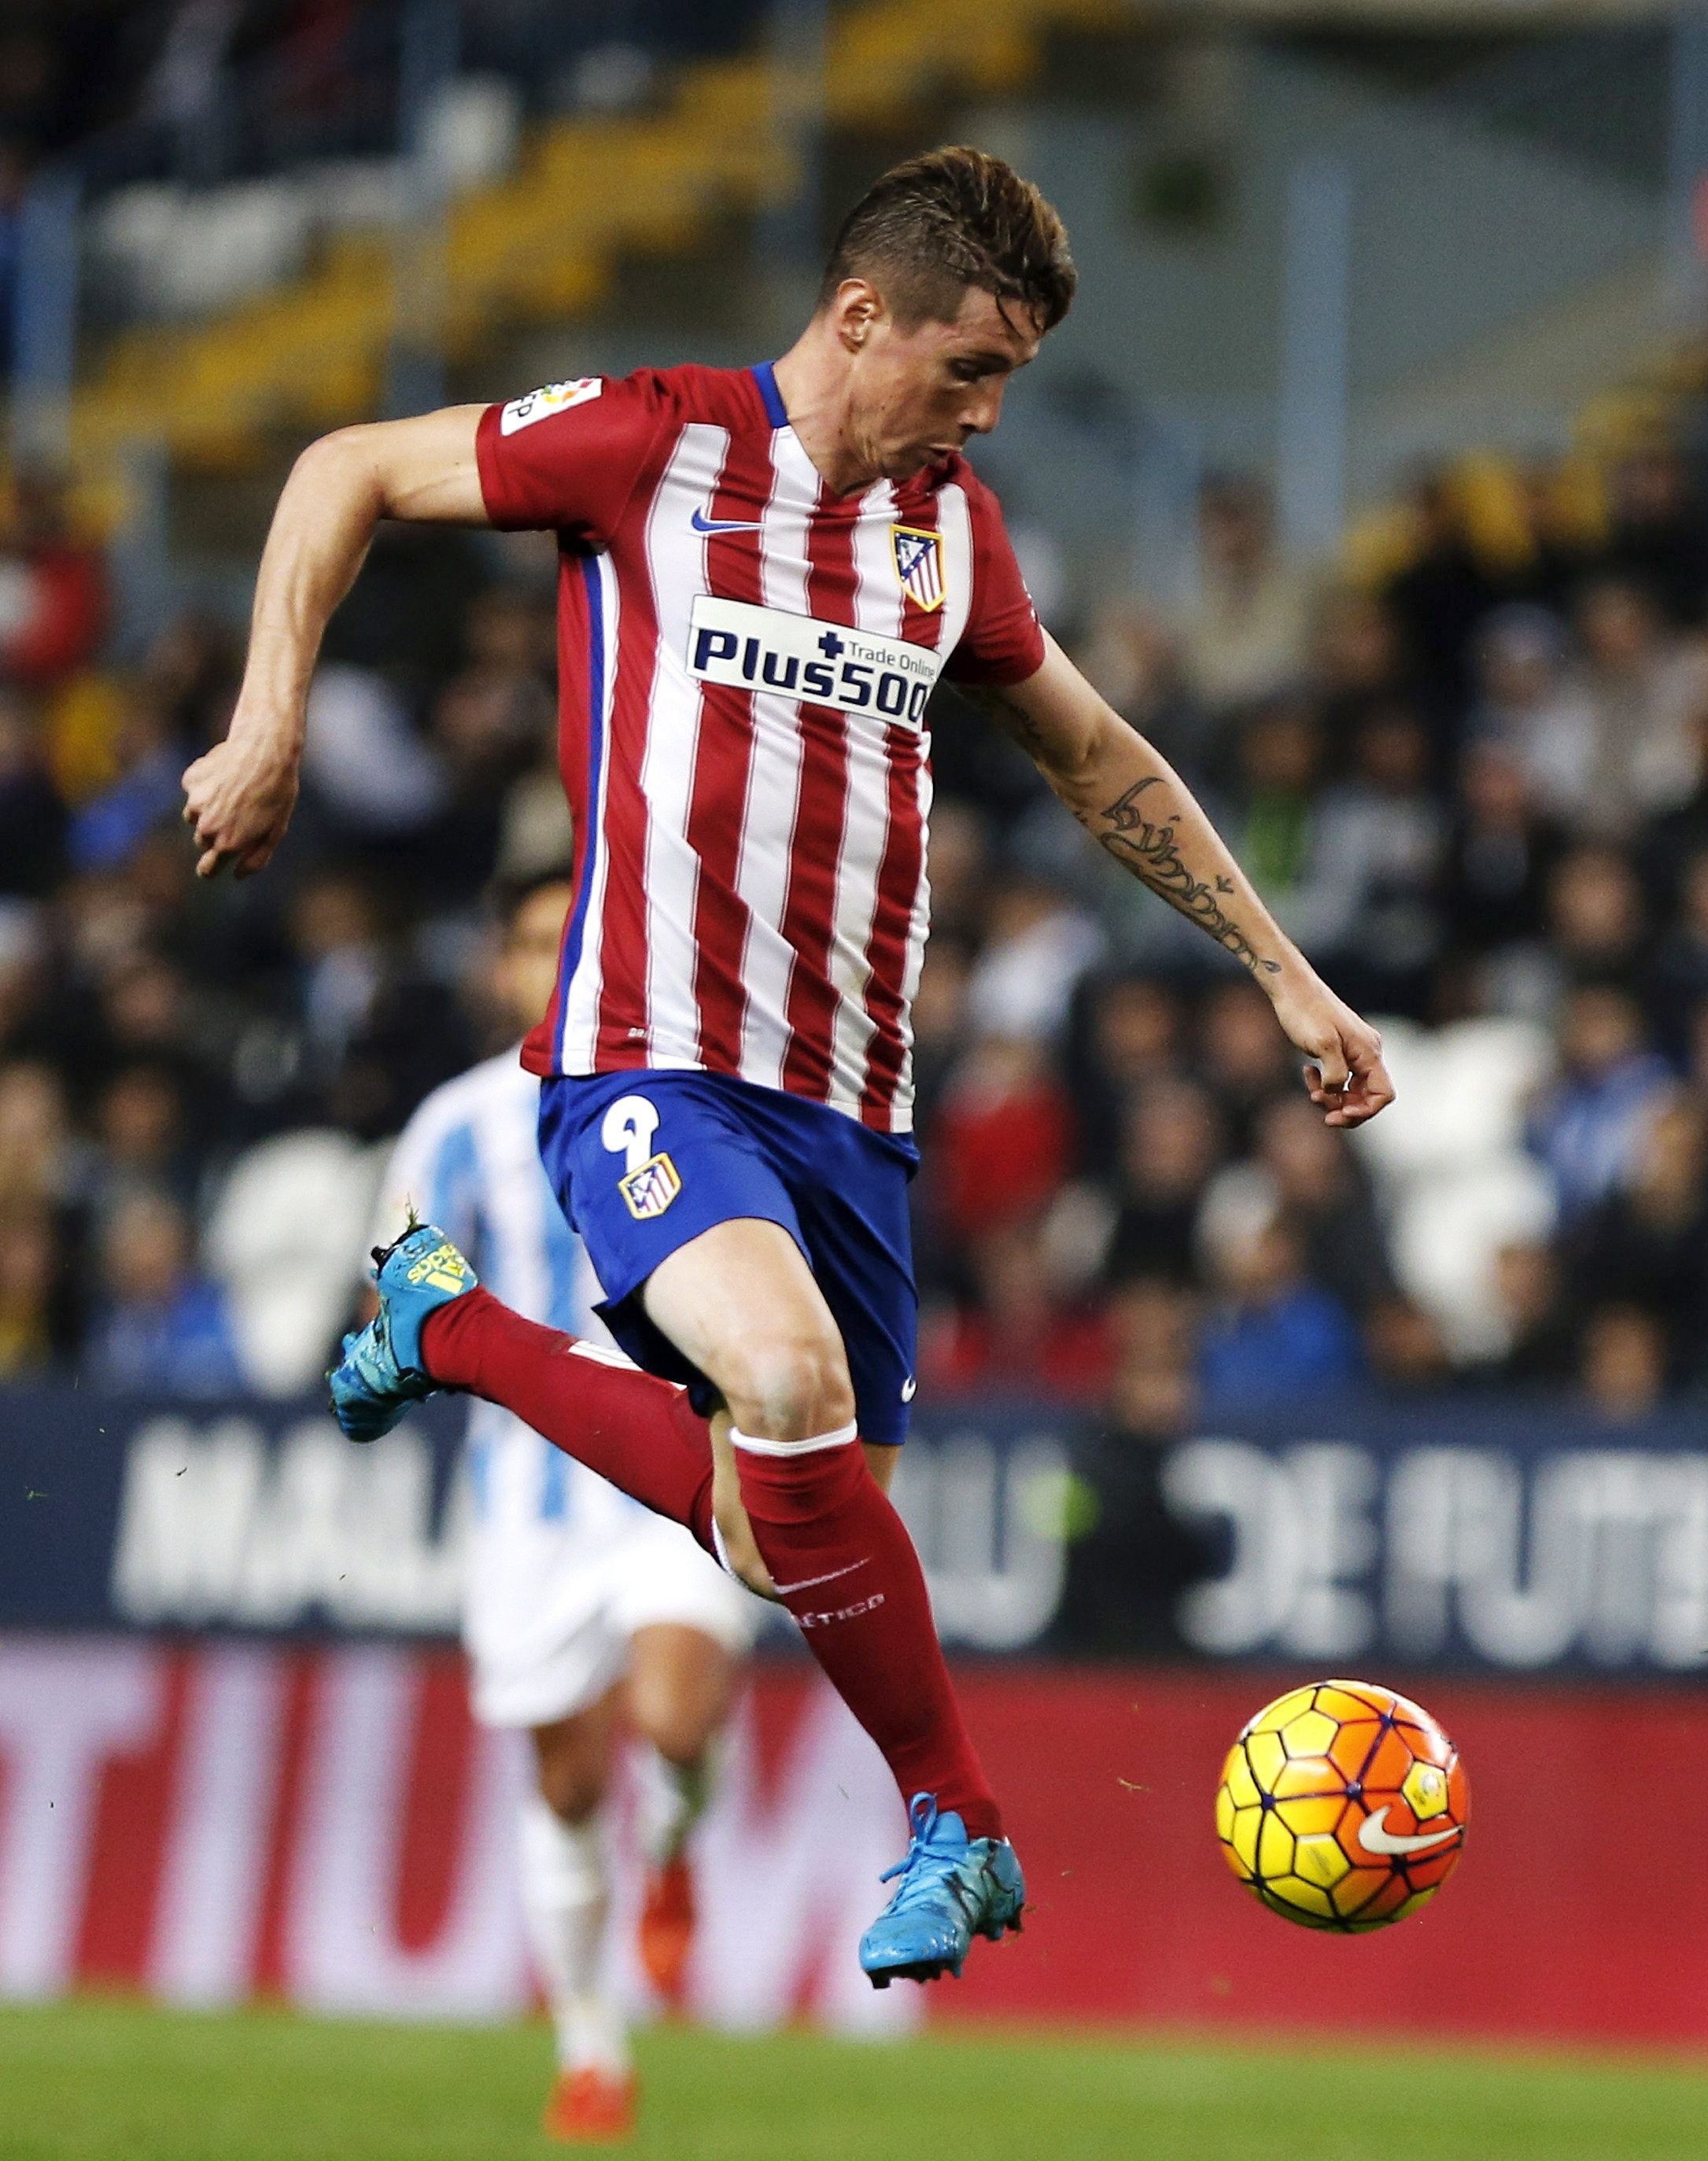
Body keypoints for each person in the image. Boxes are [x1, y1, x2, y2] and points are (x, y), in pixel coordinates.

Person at [180, 146, 1391, 1990]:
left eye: (1009, 382)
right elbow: (341, 464)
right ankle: (957, 1816)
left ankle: (454, 1330)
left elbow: (1093, 756)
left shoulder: (949, 533)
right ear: (858, 316)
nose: (984, 414)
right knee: (790, 1377)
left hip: (853, 1110)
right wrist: (267, 720)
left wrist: (1283, 974)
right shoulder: (651, 442)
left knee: (777, 1531)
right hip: (648, 1063)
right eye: (966, 369)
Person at [379, 872, 755, 2140]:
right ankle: (591, 2045)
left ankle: (676, 1848)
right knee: (569, 1782)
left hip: (680, 1473)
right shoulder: (457, 1123)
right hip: (529, 1504)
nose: (550, 960)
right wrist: (422, 1330)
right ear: (500, 968)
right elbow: (399, 1273)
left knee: (676, 1716)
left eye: (571, 938)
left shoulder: (693, 1098)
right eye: (531, 942)